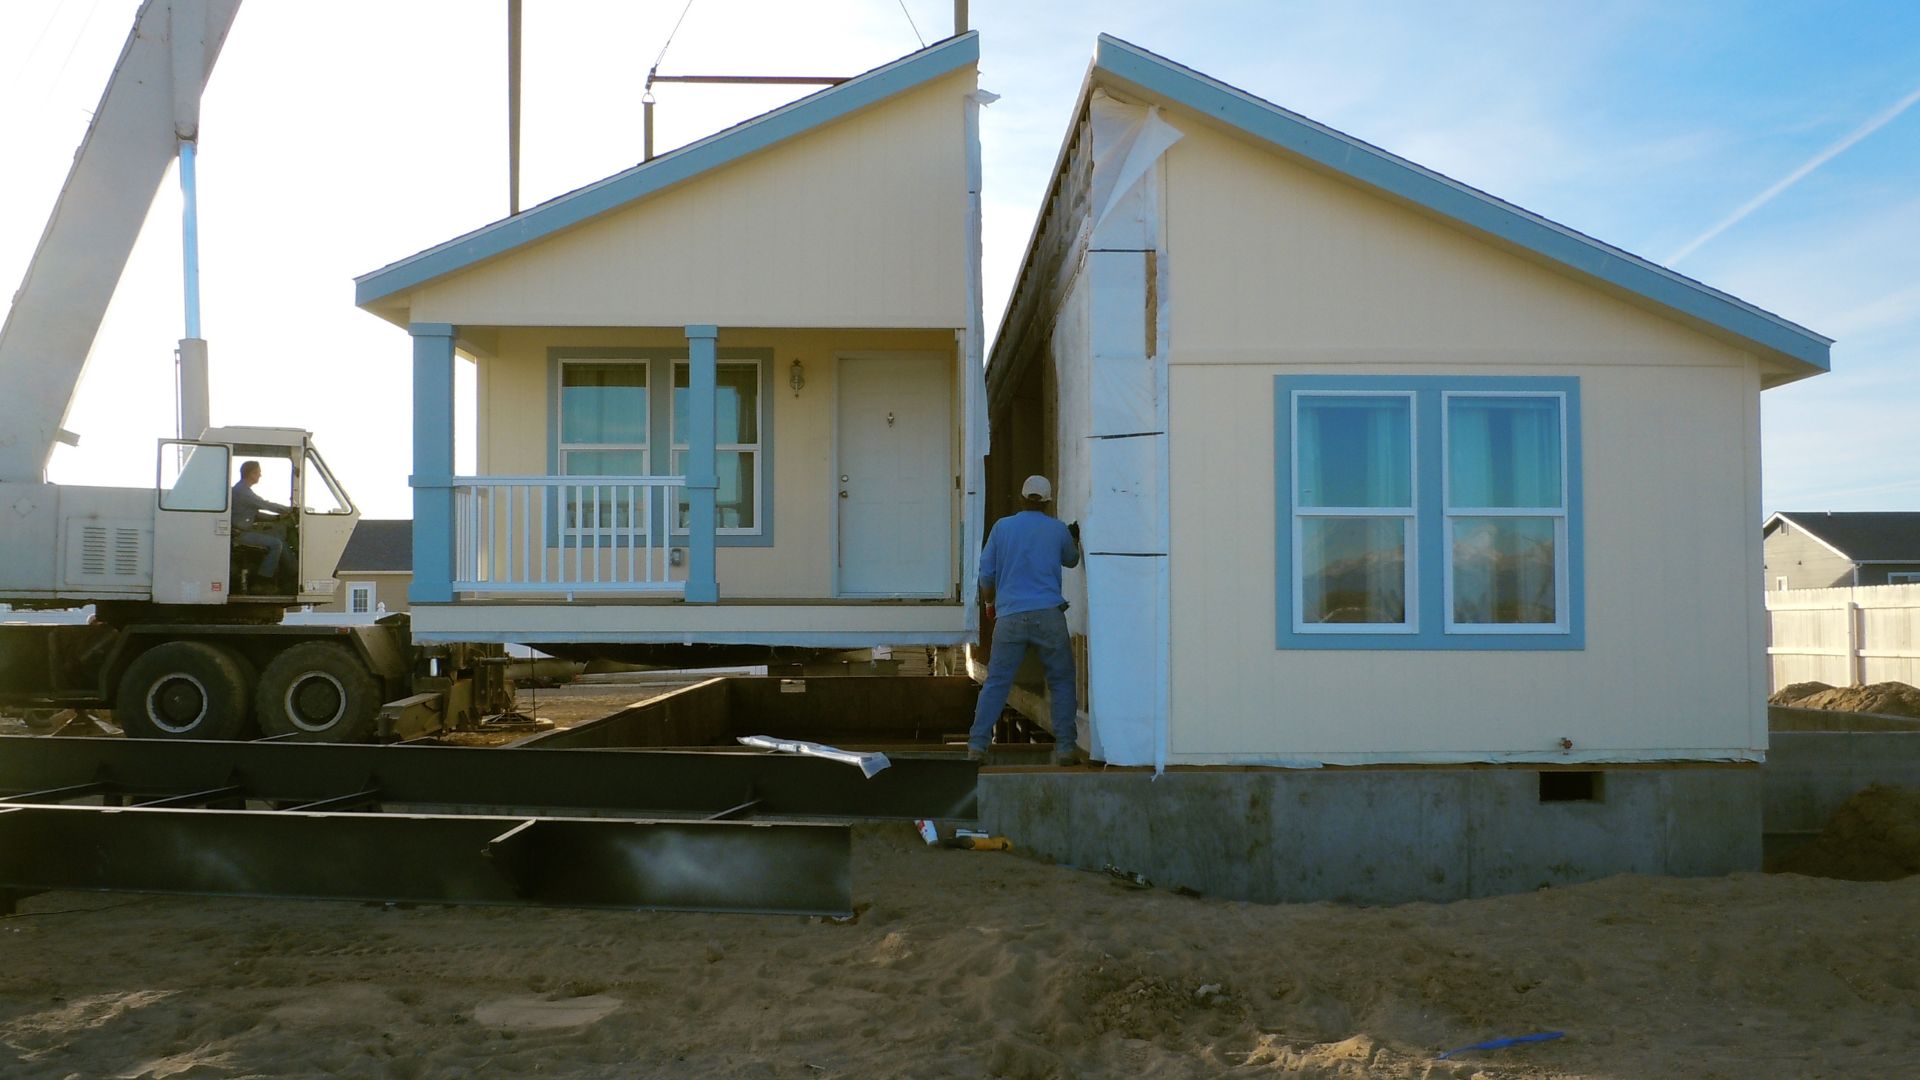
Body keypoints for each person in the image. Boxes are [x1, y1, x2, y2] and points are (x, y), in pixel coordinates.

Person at [968, 475, 1085, 766]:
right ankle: (1067, 747)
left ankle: (977, 746)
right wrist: (1072, 538)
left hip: (1010, 618)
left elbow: (986, 576)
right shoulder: (1057, 529)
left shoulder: (1002, 528)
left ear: (1021, 499)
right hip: (1049, 616)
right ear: (1048, 501)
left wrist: (990, 603)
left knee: (996, 682)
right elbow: (1071, 560)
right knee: (1060, 680)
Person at [232, 460, 291, 584]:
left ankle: (293, 573)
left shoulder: (242, 490)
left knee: (279, 536)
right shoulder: (243, 492)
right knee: (276, 544)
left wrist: (277, 518)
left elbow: (255, 514)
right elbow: (265, 504)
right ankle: (264, 580)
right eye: (258, 472)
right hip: (239, 534)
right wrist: (290, 510)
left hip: (243, 530)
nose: (260, 475)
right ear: (251, 473)